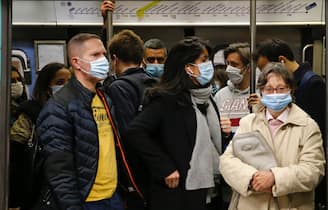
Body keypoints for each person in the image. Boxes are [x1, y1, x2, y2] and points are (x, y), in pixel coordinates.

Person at [126, 37, 227, 210]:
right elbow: (135, 132)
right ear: (188, 68)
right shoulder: (166, 99)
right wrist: (164, 167)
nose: (208, 65)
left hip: (209, 188)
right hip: (177, 191)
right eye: (203, 60)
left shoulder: (207, 97)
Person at [34, 33, 130, 210]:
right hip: (86, 200)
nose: (103, 60)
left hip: (113, 196)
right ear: (77, 63)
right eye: (95, 55)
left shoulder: (105, 98)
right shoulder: (59, 107)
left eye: (103, 54)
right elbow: (59, 169)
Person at [220, 62, 325, 210]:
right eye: (269, 89)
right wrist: (252, 178)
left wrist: (274, 178)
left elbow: (313, 170)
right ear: (261, 91)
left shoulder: (307, 126)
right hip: (251, 204)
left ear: (291, 89)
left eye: (281, 88)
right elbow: (227, 161)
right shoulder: (248, 123)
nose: (275, 94)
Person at [253, 38, 327, 209]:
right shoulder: (251, 122)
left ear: (281, 61)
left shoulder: (312, 84)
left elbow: (315, 129)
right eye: (268, 89)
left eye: (266, 69)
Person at [9, 62, 71, 210]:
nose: (67, 87)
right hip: (41, 192)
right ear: (47, 88)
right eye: (60, 82)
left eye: (70, 82)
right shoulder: (31, 114)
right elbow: (17, 157)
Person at [105, 29, 152, 210]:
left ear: (115, 59)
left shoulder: (119, 88)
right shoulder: (153, 82)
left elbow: (126, 134)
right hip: (155, 166)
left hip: (135, 171)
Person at [214, 43, 251, 135]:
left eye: (234, 65)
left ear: (248, 68)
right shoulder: (220, 95)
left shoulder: (259, 94)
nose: (228, 69)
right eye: (228, 64)